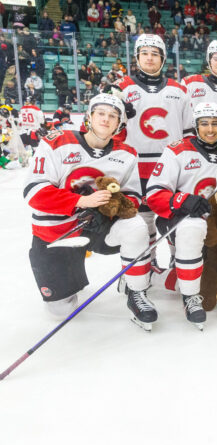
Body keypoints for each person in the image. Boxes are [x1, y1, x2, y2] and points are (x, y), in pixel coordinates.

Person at [23, 94, 153, 325]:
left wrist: (110, 210)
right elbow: (34, 192)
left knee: (136, 225)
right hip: (57, 232)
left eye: (113, 116)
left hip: (99, 227)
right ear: (89, 117)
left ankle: (136, 290)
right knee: (61, 311)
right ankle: (68, 280)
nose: (106, 119)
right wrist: (82, 202)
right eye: (100, 113)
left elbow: (132, 196)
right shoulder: (57, 141)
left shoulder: (127, 154)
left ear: (120, 123)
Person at [145, 102, 217, 329]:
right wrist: (182, 199)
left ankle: (171, 273)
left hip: (215, 226)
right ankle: (190, 297)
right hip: (178, 220)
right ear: (195, 126)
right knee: (192, 231)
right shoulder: (176, 150)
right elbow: (154, 193)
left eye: (215, 124)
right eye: (204, 124)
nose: (210, 130)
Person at [113, 33, 190, 272]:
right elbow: (111, 131)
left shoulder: (179, 89)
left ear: (163, 58)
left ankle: (179, 259)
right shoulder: (122, 88)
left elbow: (188, 132)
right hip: (137, 165)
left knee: (174, 215)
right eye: (144, 53)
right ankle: (148, 259)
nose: (149, 58)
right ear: (137, 57)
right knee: (143, 218)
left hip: (172, 164)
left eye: (155, 54)